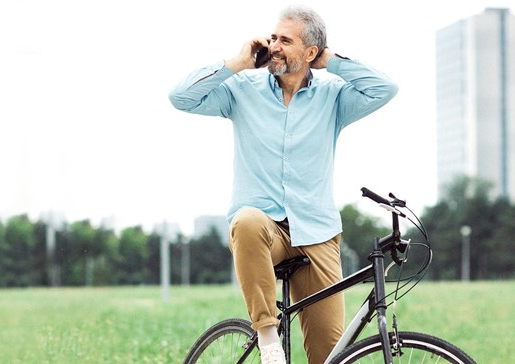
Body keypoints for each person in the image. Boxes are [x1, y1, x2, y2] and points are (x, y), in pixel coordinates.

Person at [169, 5, 398, 364]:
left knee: (329, 355)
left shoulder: (333, 98)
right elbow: (181, 97)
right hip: (264, 230)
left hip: (317, 233)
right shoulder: (242, 89)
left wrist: (331, 61)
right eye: (273, 37)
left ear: (310, 52)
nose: (274, 45)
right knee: (246, 220)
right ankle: (267, 338)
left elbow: (385, 88)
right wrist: (235, 63)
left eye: (285, 40)